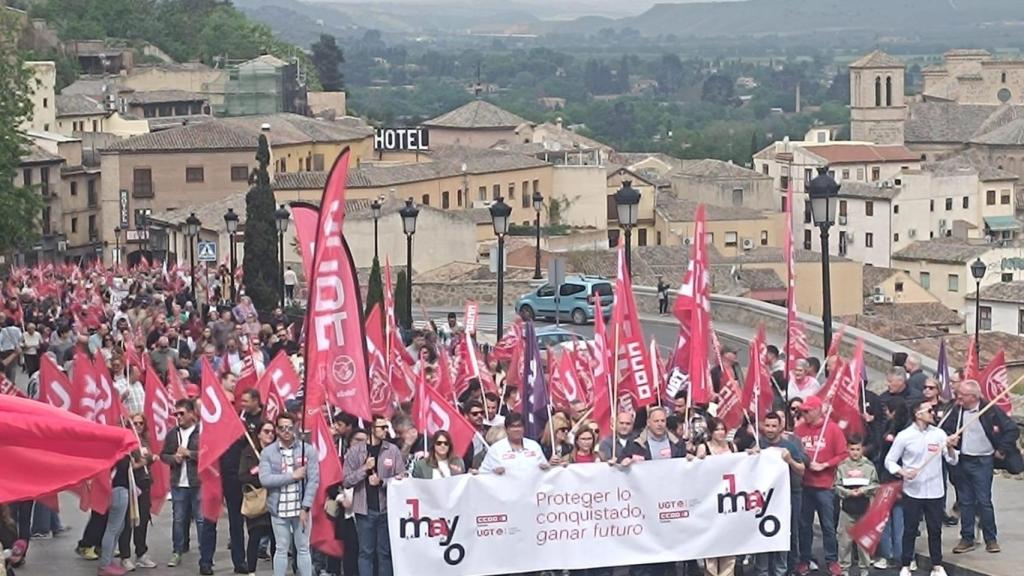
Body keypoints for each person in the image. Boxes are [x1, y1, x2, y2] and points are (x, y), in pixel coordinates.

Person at [941, 379, 1020, 554]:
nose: (958, 396)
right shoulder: (956, 410)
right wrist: (949, 439)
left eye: (962, 394)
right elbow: (944, 430)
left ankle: (990, 539)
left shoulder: (989, 410)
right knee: (965, 501)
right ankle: (967, 537)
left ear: (973, 396)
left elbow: (1012, 429)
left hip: (983, 461)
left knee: (984, 501)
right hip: (962, 461)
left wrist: (1002, 449)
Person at [885, 401, 959, 576]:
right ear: (918, 414)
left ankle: (937, 564)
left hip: (935, 491)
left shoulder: (940, 434)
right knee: (910, 529)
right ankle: (905, 564)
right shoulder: (904, 436)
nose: (933, 413)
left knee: (935, 529)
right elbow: (889, 461)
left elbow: (953, 460)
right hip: (913, 490)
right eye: (929, 410)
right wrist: (902, 472)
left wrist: (949, 447)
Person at [342, 414, 405, 576]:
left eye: (386, 427)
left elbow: (402, 478)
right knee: (366, 552)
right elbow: (346, 481)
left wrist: (382, 482)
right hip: (364, 510)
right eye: (382, 427)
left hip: (386, 510)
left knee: (385, 553)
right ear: (372, 429)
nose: (385, 430)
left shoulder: (392, 450)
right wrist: (364, 469)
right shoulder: (356, 451)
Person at [259, 412, 320, 576]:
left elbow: (313, 481)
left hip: (301, 509)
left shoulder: (307, 451)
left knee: (303, 548)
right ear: (277, 430)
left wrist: (306, 507)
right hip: (278, 509)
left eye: (289, 427)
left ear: (295, 428)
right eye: (282, 428)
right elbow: (265, 479)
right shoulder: (268, 452)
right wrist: (292, 476)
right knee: (281, 548)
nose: (286, 431)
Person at [793, 396, 847, 576]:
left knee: (829, 527)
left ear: (818, 410)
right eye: (803, 411)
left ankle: (832, 560)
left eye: (807, 411)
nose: (804, 414)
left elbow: (842, 454)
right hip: (805, 485)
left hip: (826, 486)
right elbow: (794, 451)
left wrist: (825, 465)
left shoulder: (832, 429)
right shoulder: (799, 429)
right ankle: (805, 560)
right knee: (804, 526)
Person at [160, 398, 212, 573]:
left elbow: (208, 455)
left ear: (192, 413)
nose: (178, 417)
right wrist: (173, 458)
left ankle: (204, 553)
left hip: (197, 482)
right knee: (178, 519)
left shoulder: (202, 433)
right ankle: (177, 550)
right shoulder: (172, 434)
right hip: (178, 483)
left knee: (200, 519)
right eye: (176, 414)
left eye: (182, 413)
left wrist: (189, 453)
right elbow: (163, 455)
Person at [755, 411, 806, 576]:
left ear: (780, 427)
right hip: (764, 500)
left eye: (773, 426)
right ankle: (762, 571)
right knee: (762, 533)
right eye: (767, 425)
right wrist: (750, 456)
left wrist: (790, 460)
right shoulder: (758, 444)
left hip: (788, 497)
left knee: (786, 533)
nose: (770, 429)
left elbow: (802, 470)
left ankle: (783, 571)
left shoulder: (789, 446)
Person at [696, 417, 736, 576]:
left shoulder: (733, 446)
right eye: (717, 429)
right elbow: (697, 469)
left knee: (729, 543)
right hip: (711, 502)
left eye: (722, 429)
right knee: (711, 544)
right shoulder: (703, 447)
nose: (720, 432)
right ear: (711, 432)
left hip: (730, 501)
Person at [833, 435, 877, 576]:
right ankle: (844, 569)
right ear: (848, 449)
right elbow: (836, 486)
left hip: (864, 510)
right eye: (852, 449)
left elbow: (875, 485)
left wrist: (863, 490)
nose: (855, 452)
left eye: (858, 449)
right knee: (844, 543)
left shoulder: (869, 467)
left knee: (863, 543)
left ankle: (864, 570)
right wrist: (848, 492)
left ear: (862, 449)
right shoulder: (842, 466)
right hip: (847, 510)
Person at [119, 414, 156, 571]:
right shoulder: (126, 442)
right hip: (131, 486)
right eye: (135, 423)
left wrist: (149, 460)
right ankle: (125, 556)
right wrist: (145, 461)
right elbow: (130, 466)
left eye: (141, 423)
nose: (139, 426)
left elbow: (147, 459)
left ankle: (141, 553)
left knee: (143, 522)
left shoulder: (144, 440)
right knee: (127, 522)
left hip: (145, 484)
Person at [480, 412, 550, 474]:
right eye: (513, 427)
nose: (516, 429)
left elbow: (545, 469)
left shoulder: (534, 446)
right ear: (506, 429)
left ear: (524, 428)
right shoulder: (496, 449)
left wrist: (548, 466)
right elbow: (482, 473)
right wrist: (493, 472)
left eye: (519, 426)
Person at [98, 453, 131, 576]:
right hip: (119, 490)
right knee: (113, 528)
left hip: (118, 490)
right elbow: (123, 469)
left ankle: (108, 560)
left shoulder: (115, 453)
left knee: (118, 527)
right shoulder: (120, 454)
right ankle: (105, 564)